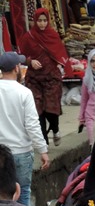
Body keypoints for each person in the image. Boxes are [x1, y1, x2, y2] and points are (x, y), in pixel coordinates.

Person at [0, 52, 49, 206]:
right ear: (16, 68)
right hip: (21, 151)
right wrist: (42, 150)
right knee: (23, 192)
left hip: (1, 152)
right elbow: (32, 125)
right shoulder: (24, 93)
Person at [18, 8, 69, 146]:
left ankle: (55, 128)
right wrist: (30, 61)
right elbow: (21, 56)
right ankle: (44, 142)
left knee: (51, 109)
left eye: (44, 20)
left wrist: (60, 65)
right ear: (35, 21)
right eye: (39, 21)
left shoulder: (52, 35)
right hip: (34, 79)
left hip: (51, 78)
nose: (42, 24)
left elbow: (60, 53)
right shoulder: (29, 37)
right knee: (37, 110)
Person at [79, 48, 95, 145]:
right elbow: (84, 100)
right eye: (92, 61)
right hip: (90, 115)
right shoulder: (86, 79)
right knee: (94, 144)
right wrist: (81, 118)